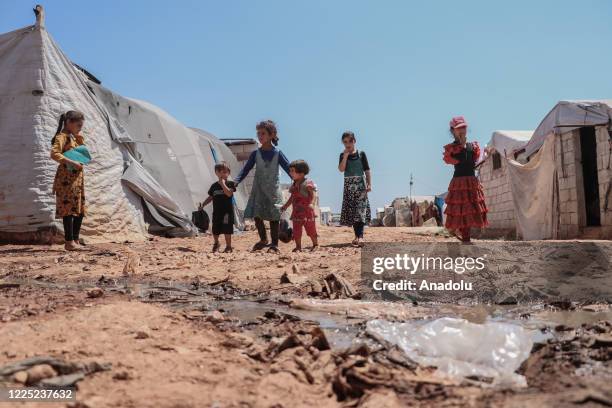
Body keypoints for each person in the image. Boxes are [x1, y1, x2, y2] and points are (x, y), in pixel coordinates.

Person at [235, 120, 290, 253]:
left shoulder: (277, 153)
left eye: (263, 133)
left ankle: (274, 244)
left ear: (272, 135)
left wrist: (298, 180)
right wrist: (236, 181)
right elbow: (246, 169)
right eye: (258, 133)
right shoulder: (255, 154)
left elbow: (289, 169)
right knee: (257, 215)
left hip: (273, 190)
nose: (260, 136)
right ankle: (263, 239)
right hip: (258, 190)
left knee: (274, 216)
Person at [443, 116, 488, 243]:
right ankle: (463, 235)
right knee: (460, 210)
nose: (462, 130)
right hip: (459, 183)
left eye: (464, 127)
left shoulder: (473, 147)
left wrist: (485, 155)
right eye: (458, 128)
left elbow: (474, 161)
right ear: (453, 131)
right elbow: (451, 160)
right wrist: (461, 144)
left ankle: (466, 235)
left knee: (470, 210)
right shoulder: (451, 149)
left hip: (471, 182)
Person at [50, 110, 87, 251]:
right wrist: (71, 162)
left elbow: (82, 151)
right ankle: (69, 242)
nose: (80, 128)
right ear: (69, 123)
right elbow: (54, 154)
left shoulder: (73, 137)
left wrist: (78, 137)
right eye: (78, 125)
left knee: (79, 209)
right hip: (66, 178)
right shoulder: (62, 137)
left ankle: (76, 240)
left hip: (76, 179)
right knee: (68, 209)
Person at [338, 131, 371, 246]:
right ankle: (356, 236)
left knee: (360, 211)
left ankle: (361, 237)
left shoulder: (361, 154)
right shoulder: (342, 155)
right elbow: (341, 169)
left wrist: (369, 184)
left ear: (354, 141)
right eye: (345, 142)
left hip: (361, 185)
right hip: (349, 186)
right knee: (352, 212)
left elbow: (367, 170)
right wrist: (346, 156)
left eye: (350, 141)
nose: (348, 144)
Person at [281, 160, 318, 252]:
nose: (290, 173)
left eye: (293, 171)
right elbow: (292, 198)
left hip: (307, 212)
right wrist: (285, 206)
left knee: (311, 229)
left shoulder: (308, 183)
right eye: (290, 171)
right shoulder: (294, 184)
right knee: (296, 231)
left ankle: (315, 244)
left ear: (301, 173)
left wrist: (312, 203)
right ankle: (298, 247)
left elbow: (313, 194)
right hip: (297, 213)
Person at [202, 162, 236, 253]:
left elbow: (229, 194)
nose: (222, 174)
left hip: (227, 212)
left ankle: (228, 246)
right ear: (216, 173)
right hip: (217, 211)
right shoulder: (214, 186)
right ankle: (216, 243)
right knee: (215, 228)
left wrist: (222, 184)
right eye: (220, 172)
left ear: (228, 173)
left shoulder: (231, 184)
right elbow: (211, 197)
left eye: (225, 172)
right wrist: (203, 204)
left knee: (227, 228)